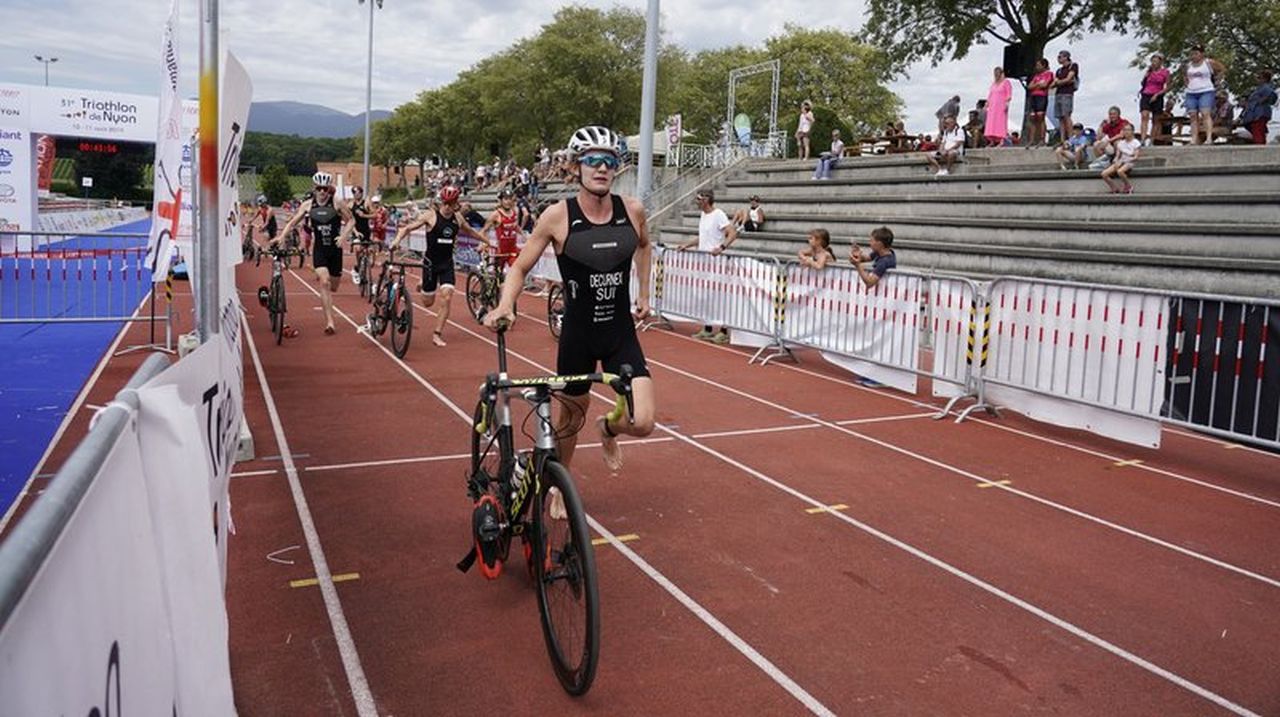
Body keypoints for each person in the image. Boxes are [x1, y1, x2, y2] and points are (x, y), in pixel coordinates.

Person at [482, 125, 656, 484]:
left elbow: (644, 246)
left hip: (619, 333)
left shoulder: (633, 210)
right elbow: (519, 267)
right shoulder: (557, 216)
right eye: (592, 160)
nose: (601, 167)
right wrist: (505, 305)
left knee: (643, 422)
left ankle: (607, 429)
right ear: (576, 167)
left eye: (609, 160)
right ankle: (561, 485)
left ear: (617, 166)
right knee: (568, 422)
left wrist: (643, 294)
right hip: (577, 335)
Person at [388, 184, 488, 347]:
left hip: (447, 264)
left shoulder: (458, 218)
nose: (454, 206)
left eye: (455, 203)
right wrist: (396, 241)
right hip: (430, 264)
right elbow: (406, 228)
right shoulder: (430, 216)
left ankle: (437, 334)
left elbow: (470, 231)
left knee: (447, 296)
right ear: (446, 203)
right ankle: (424, 284)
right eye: (450, 203)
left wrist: (486, 241)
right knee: (428, 302)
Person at [273, 171, 356, 335]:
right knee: (324, 282)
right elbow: (292, 222)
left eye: (325, 189)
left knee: (334, 286)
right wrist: (281, 236)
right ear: (315, 188)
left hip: (335, 250)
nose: (323, 192)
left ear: (329, 189)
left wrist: (344, 236)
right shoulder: (308, 205)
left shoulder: (337, 203)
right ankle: (330, 323)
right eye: (319, 189)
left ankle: (330, 309)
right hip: (320, 250)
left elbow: (351, 220)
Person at [677, 189, 736, 344]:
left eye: (699, 199)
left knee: (719, 296)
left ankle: (723, 330)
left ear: (707, 199)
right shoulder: (703, 215)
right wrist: (687, 245)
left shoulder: (719, 214)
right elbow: (702, 237)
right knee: (706, 296)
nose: (697, 201)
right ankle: (708, 328)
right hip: (704, 263)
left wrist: (722, 248)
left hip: (717, 263)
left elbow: (732, 232)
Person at [1183, 44, 1226, 145]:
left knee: (1205, 113)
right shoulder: (1188, 65)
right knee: (1193, 115)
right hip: (1191, 92)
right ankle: (1194, 139)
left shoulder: (1208, 62)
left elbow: (1222, 69)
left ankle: (1208, 138)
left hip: (1206, 90)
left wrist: (1218, 80)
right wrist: (1186, 83)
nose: (1194, 56)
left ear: (1202, 54)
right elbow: (1185, 75)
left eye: (1196, 53)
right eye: (1192, 54)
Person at [480, 188, 525, 268]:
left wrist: (524, 236)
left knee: (516, 269)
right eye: (506, 199)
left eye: (510, 199)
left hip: (512, 249)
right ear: (501, 201)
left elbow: (515, 226)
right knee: (498, 276)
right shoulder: (496, 214)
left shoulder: (515, 212)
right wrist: (484, 243)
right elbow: (484, 230)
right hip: (500, 251)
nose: (508, 201)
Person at [1139, 53, 1170, 144]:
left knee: (1156, 119)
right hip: (1146, 94)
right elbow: (1143, 84)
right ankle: (1143, 138)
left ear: (1160, 62)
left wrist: (1157, 94)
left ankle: (1152, 140)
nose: (1154, 63)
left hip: (1158, 95)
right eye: (1152, 61)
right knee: (1144, 115)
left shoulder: (1165, 72)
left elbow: (1168, 87)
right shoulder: (1149, 71)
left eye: (1156, 61)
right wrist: (1145, 76)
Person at [1238, 71, 1277, 145]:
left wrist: (1262, 100)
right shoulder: (1259, 88)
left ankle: (1260, 146)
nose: (1257, 80)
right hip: (1254, 114)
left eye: (1259, 78)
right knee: (1257, 130)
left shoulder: (1265, 87)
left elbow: (1272, 94)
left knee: (1258, 131)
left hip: (1259, 113)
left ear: (1265, 79)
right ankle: (1261, 144)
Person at [1101, 123, 1141, 194]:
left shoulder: (1136, 143)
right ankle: (1114, 187)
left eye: (1128, 130)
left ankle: (1128, 186)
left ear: (1132, 131)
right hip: (1121, 161)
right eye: (1124, 130)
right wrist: (1116, 160)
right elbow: (1117, 155)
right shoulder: (1121, 143)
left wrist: (1125, 160)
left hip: (1130, 161)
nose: (1126, 132)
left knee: (1120, 171)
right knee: (1104, 174)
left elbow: (1136, 157)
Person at [1052, 50, 1080, 138]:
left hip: (1067, 94)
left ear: (1066, 57)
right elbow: (1054, 83)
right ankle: (1062, 139)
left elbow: (1069, 78)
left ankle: (1071, 137)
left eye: (1060, 57)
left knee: (1066, 115)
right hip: (1058, 94)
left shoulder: (1073, 66)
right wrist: (1062, 82)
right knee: (1060, 117)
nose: (1058, 59)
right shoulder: (1059, 70)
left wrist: (1059, 82)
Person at [984, 67, 1014, 147]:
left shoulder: (1006, 82)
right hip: (993, 106)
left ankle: (1001, 140)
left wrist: (1007, 104)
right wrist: (987, 103)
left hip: (1001, 105)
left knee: (1000, 122)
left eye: (997, 74)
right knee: (991, 123)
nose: (996, 76)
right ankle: (992, 141)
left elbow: (1009, 94)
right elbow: (990, 95)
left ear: (1001, 74)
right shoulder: (993, 84)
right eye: (995, 74)